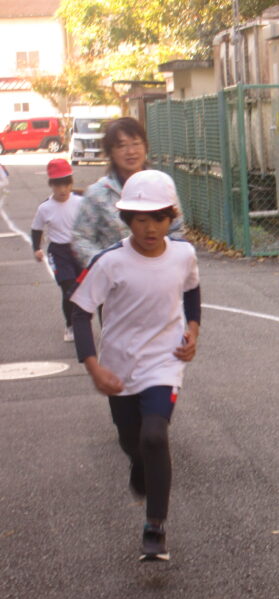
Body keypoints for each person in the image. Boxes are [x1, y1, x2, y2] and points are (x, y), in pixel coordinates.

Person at [70, 170, 200, 562]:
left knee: (155, 436)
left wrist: (193, 330)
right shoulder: (110, 262)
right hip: (118, 366)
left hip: (164, 362)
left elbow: (192, 290)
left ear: (170, 217)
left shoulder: (183, 254)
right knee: (133, 441)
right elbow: (80, 312)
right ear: (127, 219)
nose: (150, 228)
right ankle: (139, 464)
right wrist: (94, 367)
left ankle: (155, 528)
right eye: (140, 219)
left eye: (159, 218)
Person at [71, 117, 181, 268]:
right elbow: (81, 237)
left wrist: (164, 260)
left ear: (146, 146)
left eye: (136, 144)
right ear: (110, 152)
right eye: (122, 146)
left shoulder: (162, 185)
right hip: (114, 278)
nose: (131, 151)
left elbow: (177, 228)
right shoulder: (97, 194)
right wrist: (103, 264)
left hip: (158, 273)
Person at [30, 159, 85, 342]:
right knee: (68, 288)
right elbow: (36, 229)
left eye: (67, 184)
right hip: (58, 252)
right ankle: (70, 325)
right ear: (51, 185)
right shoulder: (45, 208)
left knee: (82, 289)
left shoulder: (80, 202)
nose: (63, 190)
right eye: (58, 185)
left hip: (79, 250)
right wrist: (36, 248)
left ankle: (81, 321)